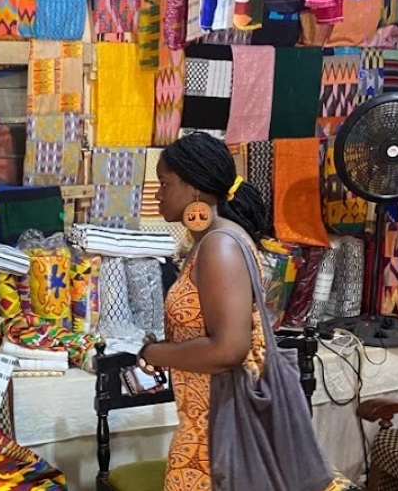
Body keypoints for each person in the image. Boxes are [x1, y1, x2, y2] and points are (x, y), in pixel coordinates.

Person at [136, 132, 344, 491]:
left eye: (165, 184)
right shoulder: (208, 240)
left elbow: (228, 349)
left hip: (218, 432)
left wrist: (153, 353)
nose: (158, 194)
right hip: (206, 422)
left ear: (193, 189)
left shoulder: (220, 246)